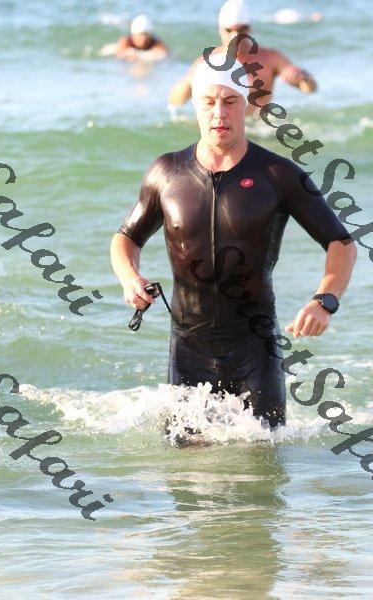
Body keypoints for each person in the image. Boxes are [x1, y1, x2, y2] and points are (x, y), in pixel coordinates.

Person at [110, 53, 356, 435]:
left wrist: (325, 301)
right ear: (195, 105)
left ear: (247, 103)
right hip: (189, 349)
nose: (218, 114)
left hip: (255, 351)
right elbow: (126, 237)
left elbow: (340, 242)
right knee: (186, 467)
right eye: (208, 102)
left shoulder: (278, 174)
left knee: (263, 462)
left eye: (229, 101)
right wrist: (130, 277)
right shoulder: (167, 172)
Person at [168, 0, 317, 117]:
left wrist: (302, 76)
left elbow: (310, 89)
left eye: (241, 29)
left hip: (257, 128)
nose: (236, 36)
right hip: (224, 129)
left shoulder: (270, 58)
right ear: (220, 31)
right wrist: (190, 80)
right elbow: (175, 101)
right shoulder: (207, 62)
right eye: (229, 30)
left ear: (250, 29)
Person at [100, 14, 168, 62]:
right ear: (134, 35)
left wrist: (139, 56)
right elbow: (120, 56)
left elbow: (164, 55)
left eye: (146, 35)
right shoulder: (126, 41)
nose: (144, 38)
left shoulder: (156, 42)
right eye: (140, 35)